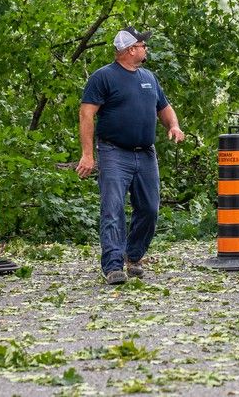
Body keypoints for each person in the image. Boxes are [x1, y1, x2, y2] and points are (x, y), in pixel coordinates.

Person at [77, 26, 185, 284]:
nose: (146, 48)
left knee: (149, 209)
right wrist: (87, 154)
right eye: (142, 44)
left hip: (146, 153)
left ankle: (132, 255)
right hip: (114, 152)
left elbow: (165, 107)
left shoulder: (149, 77)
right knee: (112, 209)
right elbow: (86, 114)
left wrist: (174, 125)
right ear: (130, 50)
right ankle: (113, 266)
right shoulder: (103, 77)